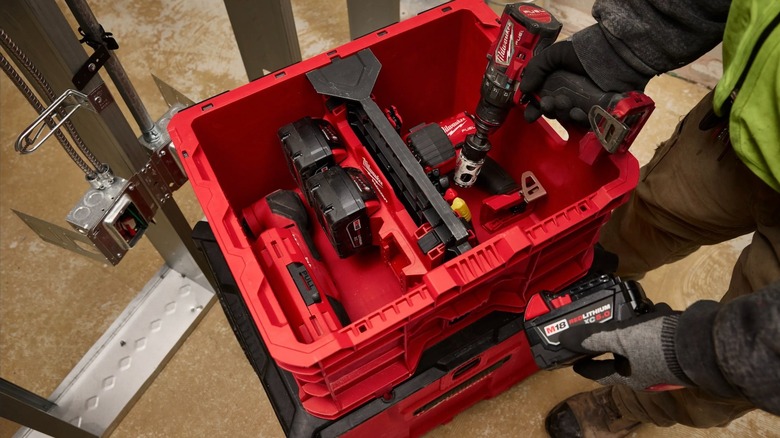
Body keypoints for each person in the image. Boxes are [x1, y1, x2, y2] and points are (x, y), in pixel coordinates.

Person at [518, 0, 780, 436]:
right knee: (651, 214)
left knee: (726, 374)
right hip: (742, 124)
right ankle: (586, 297)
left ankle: (633, 402)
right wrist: (629, 43)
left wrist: (696, 351)